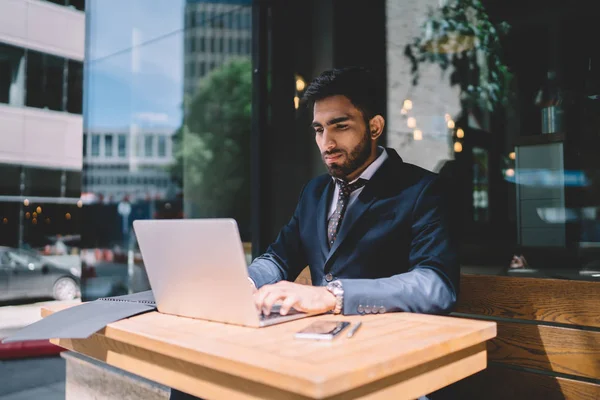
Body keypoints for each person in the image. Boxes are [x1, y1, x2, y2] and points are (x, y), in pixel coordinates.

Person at [170, 66, 459, 400]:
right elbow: (279, 257)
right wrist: (242, 285)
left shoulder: (422, 190)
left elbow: (437, 284)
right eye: (319, 129)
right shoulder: (315, 192)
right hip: (316, 350)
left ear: (375, 127)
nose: (327, 142)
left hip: (384, 363)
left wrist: (332, 294)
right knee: (193, 377)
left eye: (341, 126)